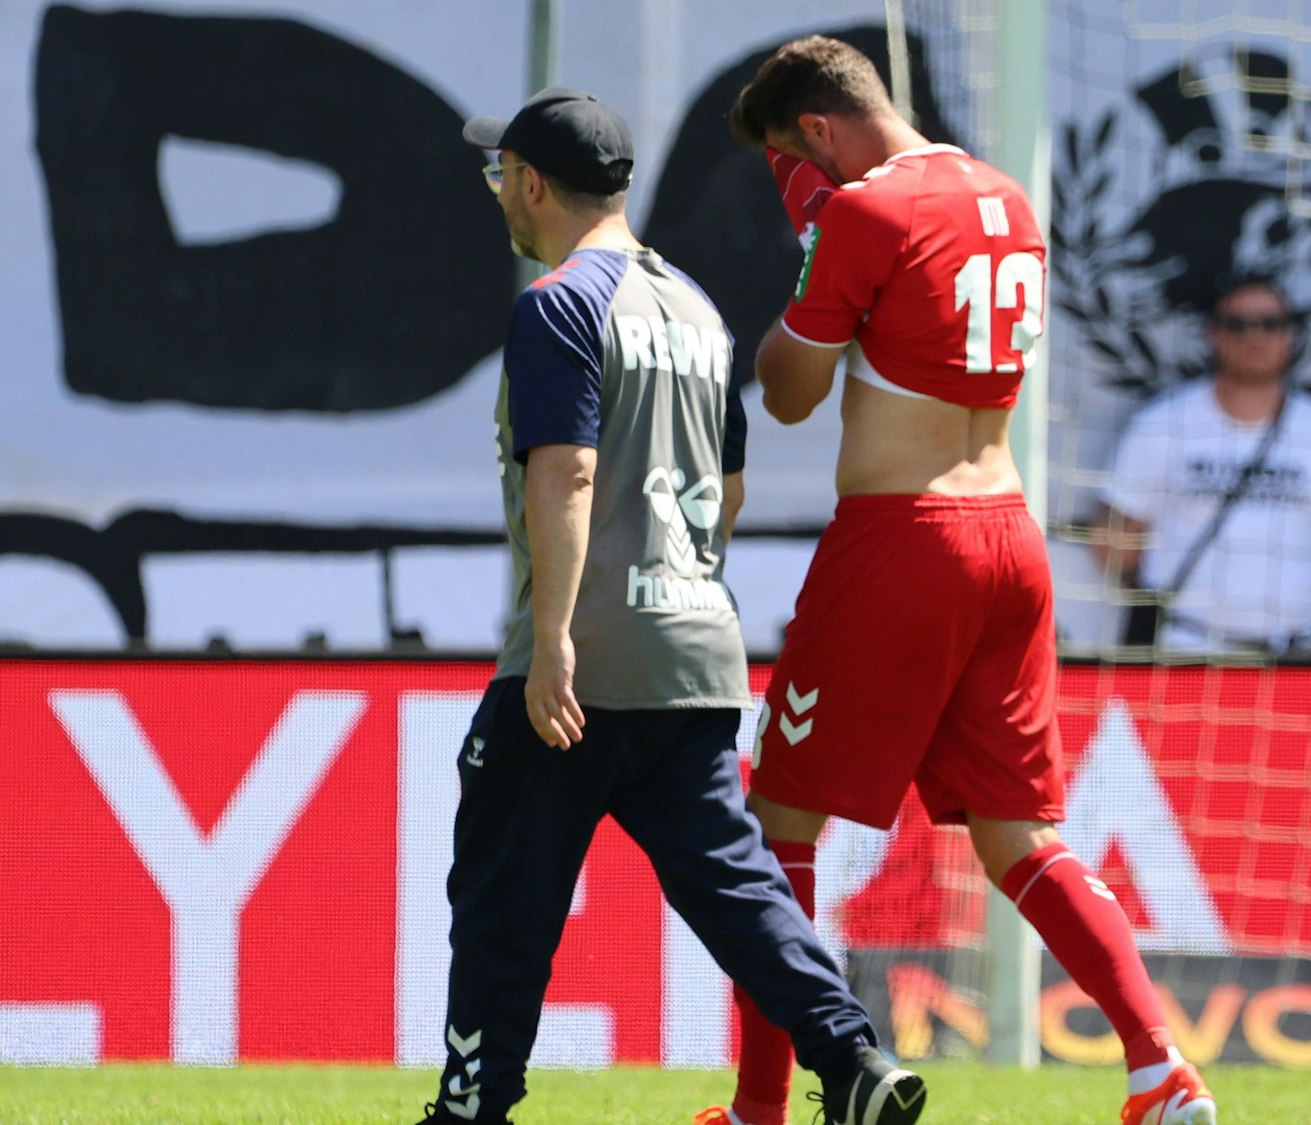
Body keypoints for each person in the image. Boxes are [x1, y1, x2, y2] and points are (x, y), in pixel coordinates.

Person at [701, 37, 1217, 1125]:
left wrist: (812, 242)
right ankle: (1158, 1066)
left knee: (775, 830)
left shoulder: (861, 213)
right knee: (1019, 836)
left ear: (817, 131)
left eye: (796, 157)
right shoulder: (1005, 195)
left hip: (903, 537)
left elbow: (787, 393)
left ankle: (758, 1111)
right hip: (1009, 539)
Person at [416, 88, 925, 1125]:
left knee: (501, 892)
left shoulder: (557, 303)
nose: (498, 192)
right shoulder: (696, 309)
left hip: (585, 656)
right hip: (695, 650)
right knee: (737, 890)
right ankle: (852, 1056)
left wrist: (554, 638)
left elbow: (565, 471)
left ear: (532, 183)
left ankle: (473, 1105)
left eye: (500, 175)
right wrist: (676, 588)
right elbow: (726, 491)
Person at [1097, 272, 1311, 654]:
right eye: (1237, 324)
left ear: (1291, 335)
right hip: (1185, 650)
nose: (1254, 336)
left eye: (1270, 324)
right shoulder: (1161, 422)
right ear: (1213, 334)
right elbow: (1115, 544)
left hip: (1294, 655)